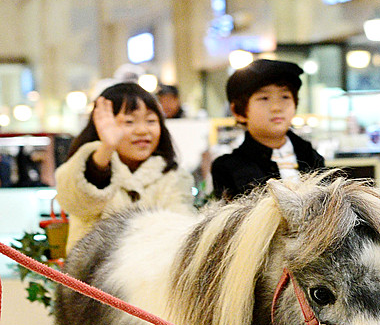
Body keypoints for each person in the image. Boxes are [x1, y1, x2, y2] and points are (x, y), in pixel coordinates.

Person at [56, 82, 193, 251]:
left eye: (151, 120)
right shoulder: (82, 167)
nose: (142, 130)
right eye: (129, 121)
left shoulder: (175, 177)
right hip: (90, 274)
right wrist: (106, 148)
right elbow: (76, 201)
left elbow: (181, 232)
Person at [211, 59, 325, 201]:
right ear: (238, 112)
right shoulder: (228, 168)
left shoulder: (312, 157)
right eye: (264, 98)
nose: (277, 107)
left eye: (285, 96)